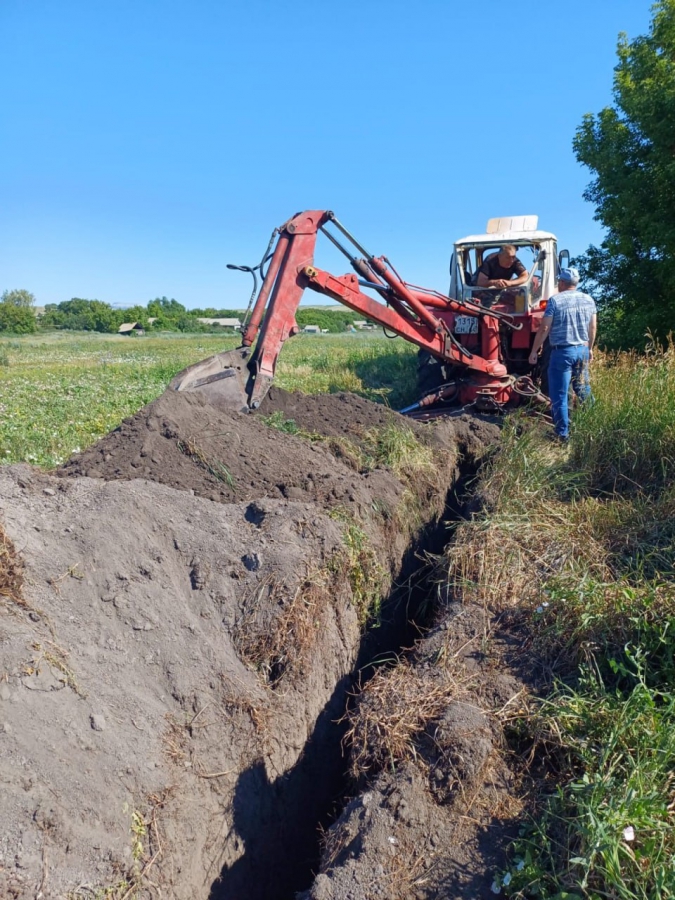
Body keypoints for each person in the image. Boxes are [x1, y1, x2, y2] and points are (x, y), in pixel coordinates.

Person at [528, 267, 597, 441]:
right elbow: (593, 327)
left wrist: (534, 351)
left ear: (563, 283)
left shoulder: (555, 301)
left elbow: (544, 328)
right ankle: (595, 428)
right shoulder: (588, 300)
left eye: (559, 281)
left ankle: (562, 435)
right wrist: (590, 348)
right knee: (583, 390)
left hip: (562, 353)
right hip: (581, 350)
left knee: (560, 394)